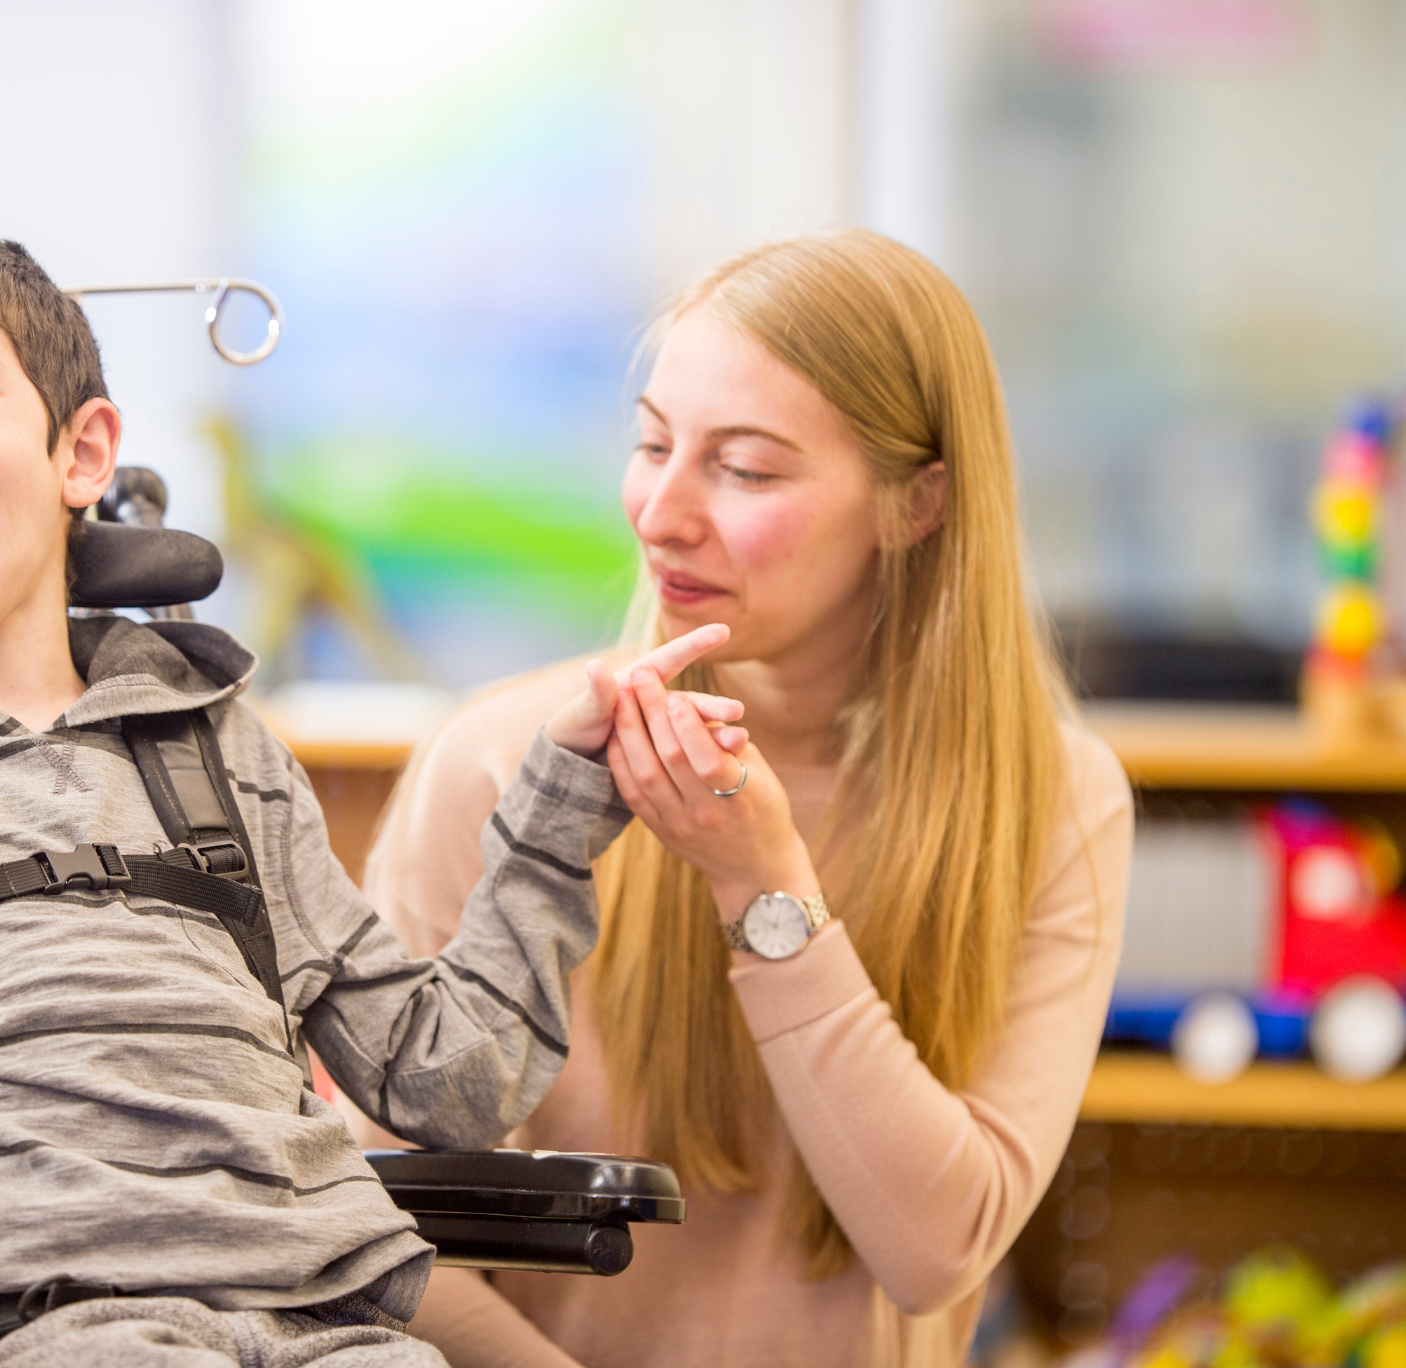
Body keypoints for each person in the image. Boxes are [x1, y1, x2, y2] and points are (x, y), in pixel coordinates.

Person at [0, 230, 734, 1368]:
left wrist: (560, 806)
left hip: (329, 1319)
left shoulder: (224, 759)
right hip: (39, 1325)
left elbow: (446, 1080)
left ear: (84, 452)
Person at [353, 229, 1135, 1367]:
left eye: (747, 468)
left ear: (918, 505)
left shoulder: (1057, 803)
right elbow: (364, 1224)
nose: (660, 514)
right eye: (652, 444)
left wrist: (763, 888)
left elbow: (935, 1251)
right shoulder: (495, 764)